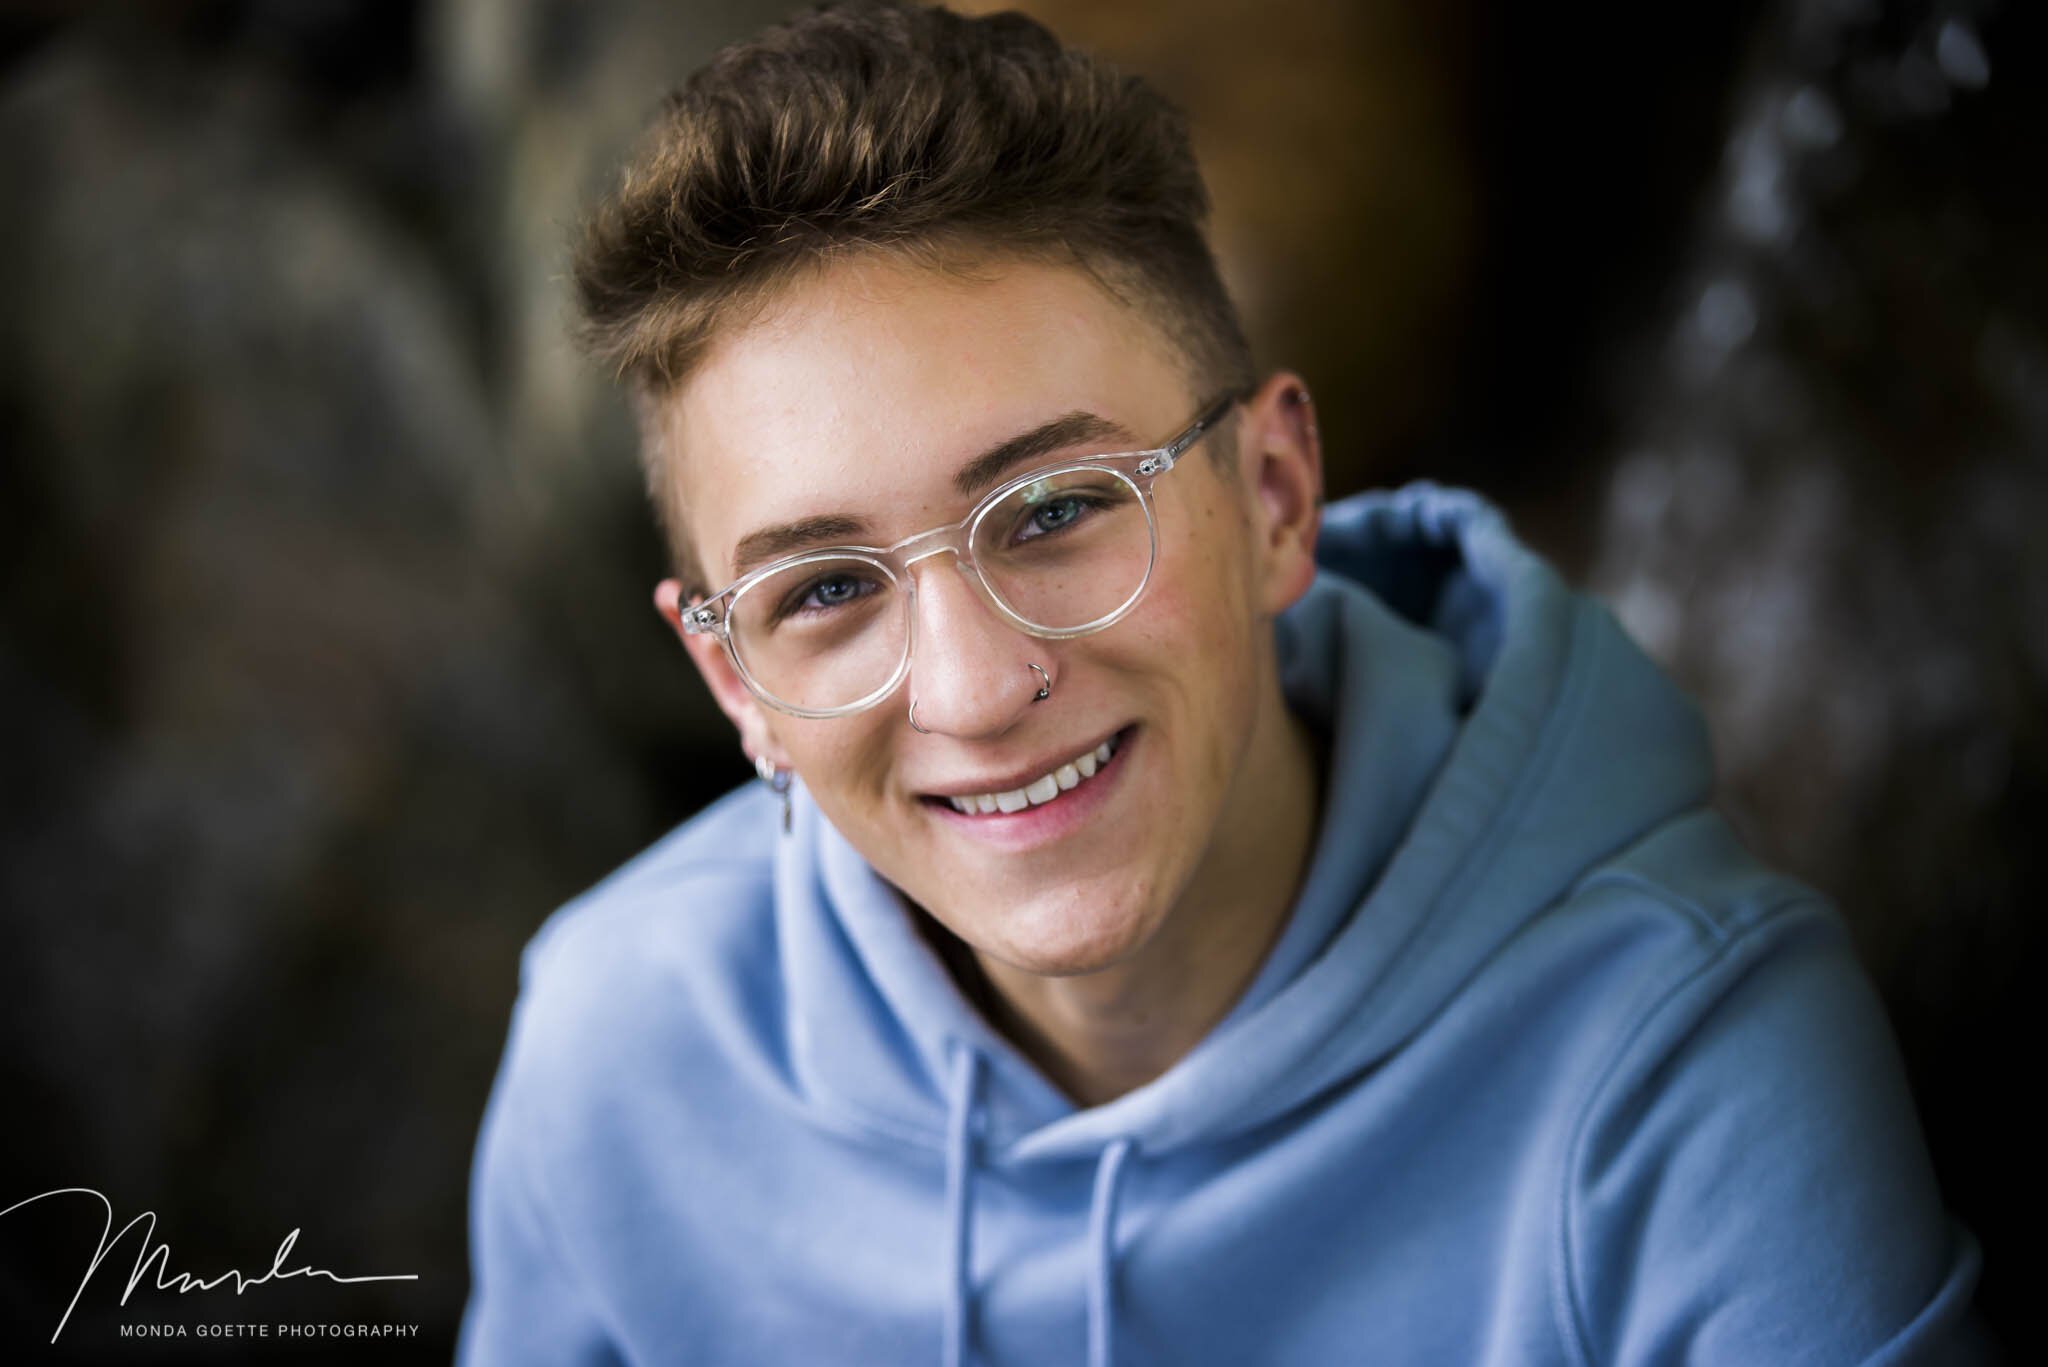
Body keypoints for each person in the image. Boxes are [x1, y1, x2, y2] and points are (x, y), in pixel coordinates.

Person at [458, 3, 1989, 1363]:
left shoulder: (1695, 1072)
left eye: (1055, 512)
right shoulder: (618, 1054)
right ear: (730, 681)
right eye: (828, 591)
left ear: (1275, 496)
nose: (977, 688)